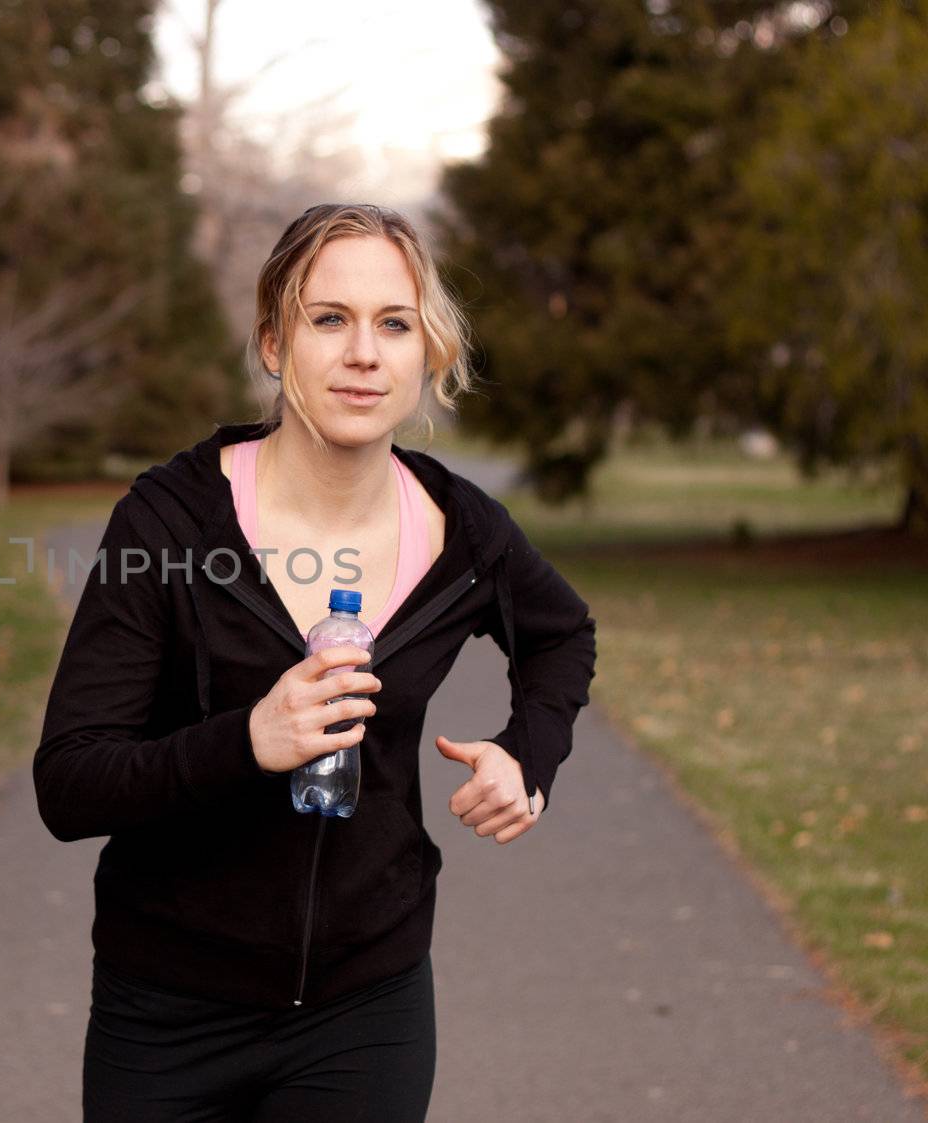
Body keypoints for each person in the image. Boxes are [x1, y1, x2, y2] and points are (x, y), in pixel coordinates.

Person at [32, 202, 598, 1122]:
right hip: (167, 1012)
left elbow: (562, 634)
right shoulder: (173, 524)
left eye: (395, 324)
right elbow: (70, 781)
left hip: (366, 1005)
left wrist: (526, 753)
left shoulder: (460, 531)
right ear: (272, 343)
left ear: (430, 354)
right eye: (328, 318)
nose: (364, 353)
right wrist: (247, 741)